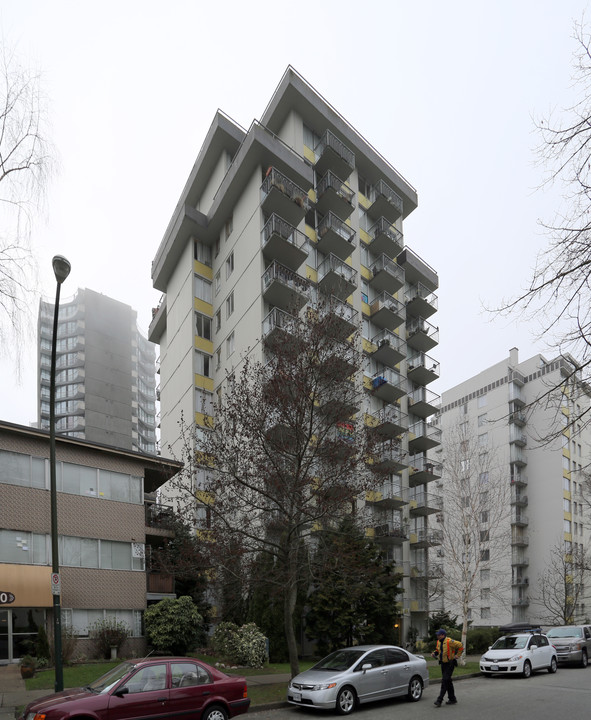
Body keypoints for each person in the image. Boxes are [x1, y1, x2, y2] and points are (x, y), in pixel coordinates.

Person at [431, 628, 463, 707]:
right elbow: (438, 650)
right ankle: (452, 699)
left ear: (443, 635)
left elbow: (460, 645)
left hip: (450, 664)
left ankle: (439, 700)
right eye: (437, 635)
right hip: (443, 664)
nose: (437, 636)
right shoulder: (439, 642)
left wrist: (458, 655)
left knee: (444, 680)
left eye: (439, 635)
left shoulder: (449, 641)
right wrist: (434, 653)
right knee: (448, 681)